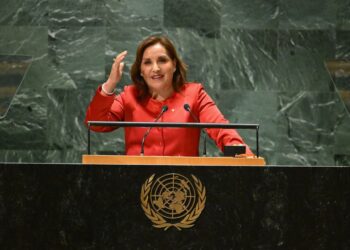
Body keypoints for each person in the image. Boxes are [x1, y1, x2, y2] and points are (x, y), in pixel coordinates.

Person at [85, 35, 253, 156]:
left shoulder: (194, 95)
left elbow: (221, 129)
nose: (155, 68)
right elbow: (96, 125)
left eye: (162, 60)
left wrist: (243, 154)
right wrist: (110, 84)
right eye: (148, 63)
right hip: (136, 186)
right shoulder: (129, 96)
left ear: (174, 65)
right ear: (141, 71)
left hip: (185, 188)